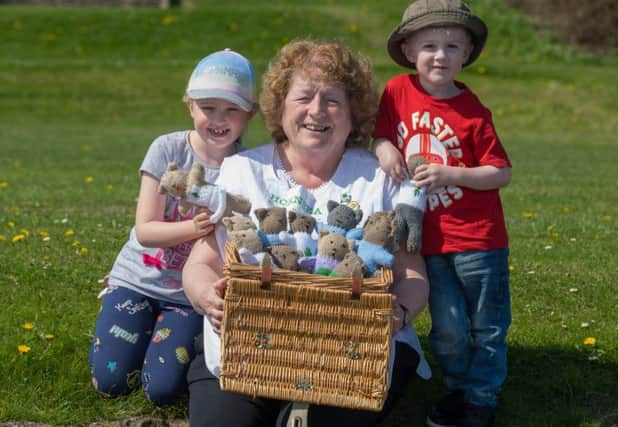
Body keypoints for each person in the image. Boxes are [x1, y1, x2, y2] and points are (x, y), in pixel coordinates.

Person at [183, 39, 431, 427]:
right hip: (247, 346)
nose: (316, 111)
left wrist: (398, 312)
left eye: (332, 100)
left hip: (354, 355)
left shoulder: (381, 178)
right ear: (280, 107)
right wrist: (206, 298)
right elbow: (201, 262)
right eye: (303, 98)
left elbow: (411, 272)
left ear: (354, 114)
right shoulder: (241, 171)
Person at [88, 49, 257, 405]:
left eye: (232, 110)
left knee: (161, 389)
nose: (218, 119)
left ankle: (175, 343)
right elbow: (146, 231)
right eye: (208, 107)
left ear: (250, 113)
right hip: (137, 281)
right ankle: (129, 318)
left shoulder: (245, 169)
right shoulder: (167, 150)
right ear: (190, 106)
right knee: (111, 380)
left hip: (186, 297)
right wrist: (195, 228)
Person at [372, 1, 512, 426]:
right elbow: (380, 133)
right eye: (429, 44)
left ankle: (481, 399)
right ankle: (457, 389)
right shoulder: (397, 91)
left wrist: (452, 173)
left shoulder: (473, 111)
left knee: (486, 326)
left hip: (479, 239)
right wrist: (384, 148)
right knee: (448, 328)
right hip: (428, 239)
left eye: (453, 46)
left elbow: (501, 172)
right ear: (410, 49)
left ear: (466, 54)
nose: (441, 54)